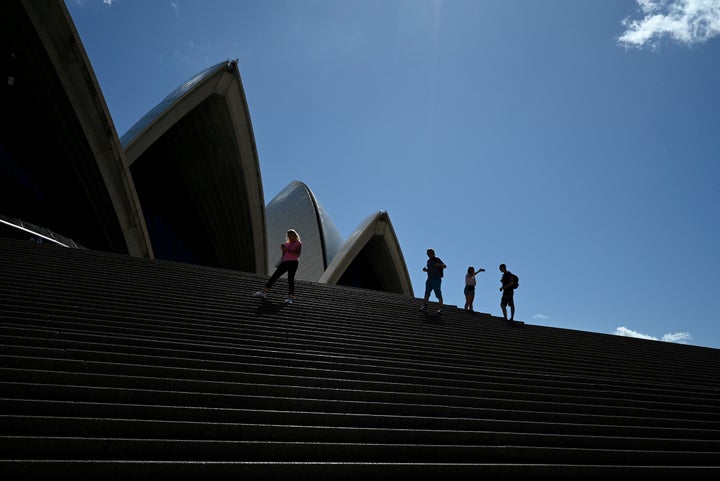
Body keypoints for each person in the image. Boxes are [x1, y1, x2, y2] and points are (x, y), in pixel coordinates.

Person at [254, 229, 302, 304]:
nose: (290, 237)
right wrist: (283, 250)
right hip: (285, 262)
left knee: (290, 279)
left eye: (292, 235)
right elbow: (284, 255)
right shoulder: (287, 244)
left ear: (295, 235)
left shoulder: (298, 243)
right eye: (289, 236)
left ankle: (290, 298)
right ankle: (263, 292)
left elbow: (298, 253)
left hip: (293, 262)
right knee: (275, 276)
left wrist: (288, 249)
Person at [419, 248, 447, 313]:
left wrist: (439, 264)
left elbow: (445, 266)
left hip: (436, 279)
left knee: (438, 293)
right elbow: (430, 269)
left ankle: (441, 308)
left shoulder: (437, 259)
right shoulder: (428, 261)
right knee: (427, 292)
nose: (427, 254)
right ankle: (425, 306)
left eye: (428, 253)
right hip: (429, 279)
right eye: (427, 253)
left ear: (432, 253)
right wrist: (425, 270)